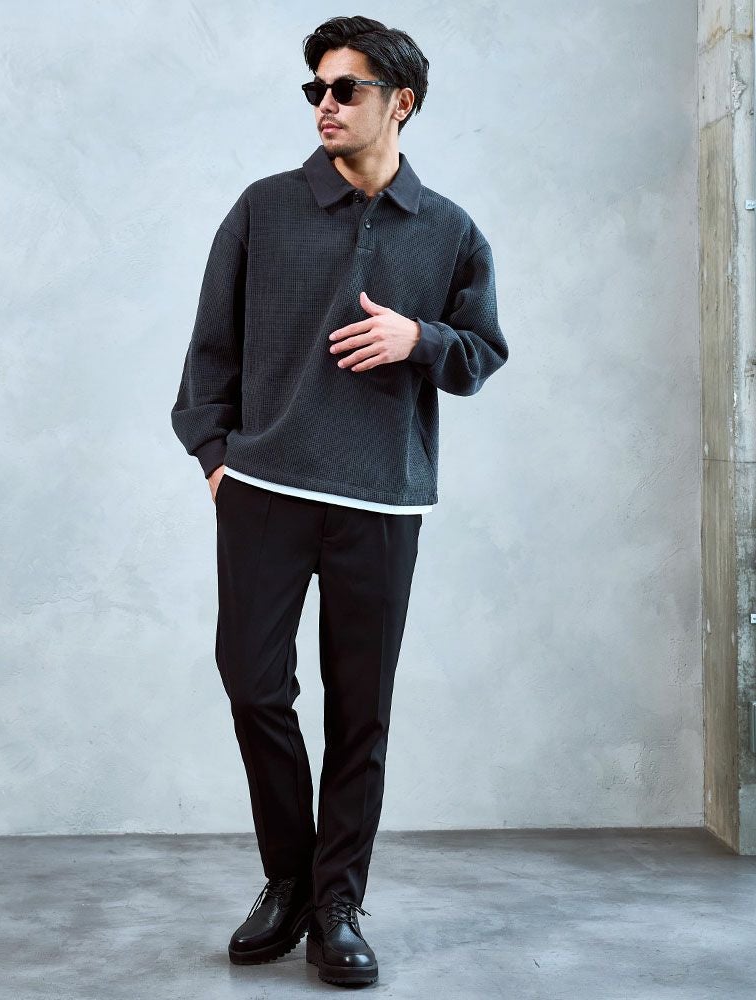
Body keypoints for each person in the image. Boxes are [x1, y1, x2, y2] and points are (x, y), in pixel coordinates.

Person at [170, 14, 508, 988]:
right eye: (315, 88)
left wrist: (418, 339)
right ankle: (288, 877)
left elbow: (481, 351)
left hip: (382, 500)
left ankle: (337, 905)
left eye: (344, 88)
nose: (324, 103)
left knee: (361, 711)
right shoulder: (263, 209)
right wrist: (215, 457)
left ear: (401, 102)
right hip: (265, 490)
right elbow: (209, 350)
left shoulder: (447, 230)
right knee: (253, 683)